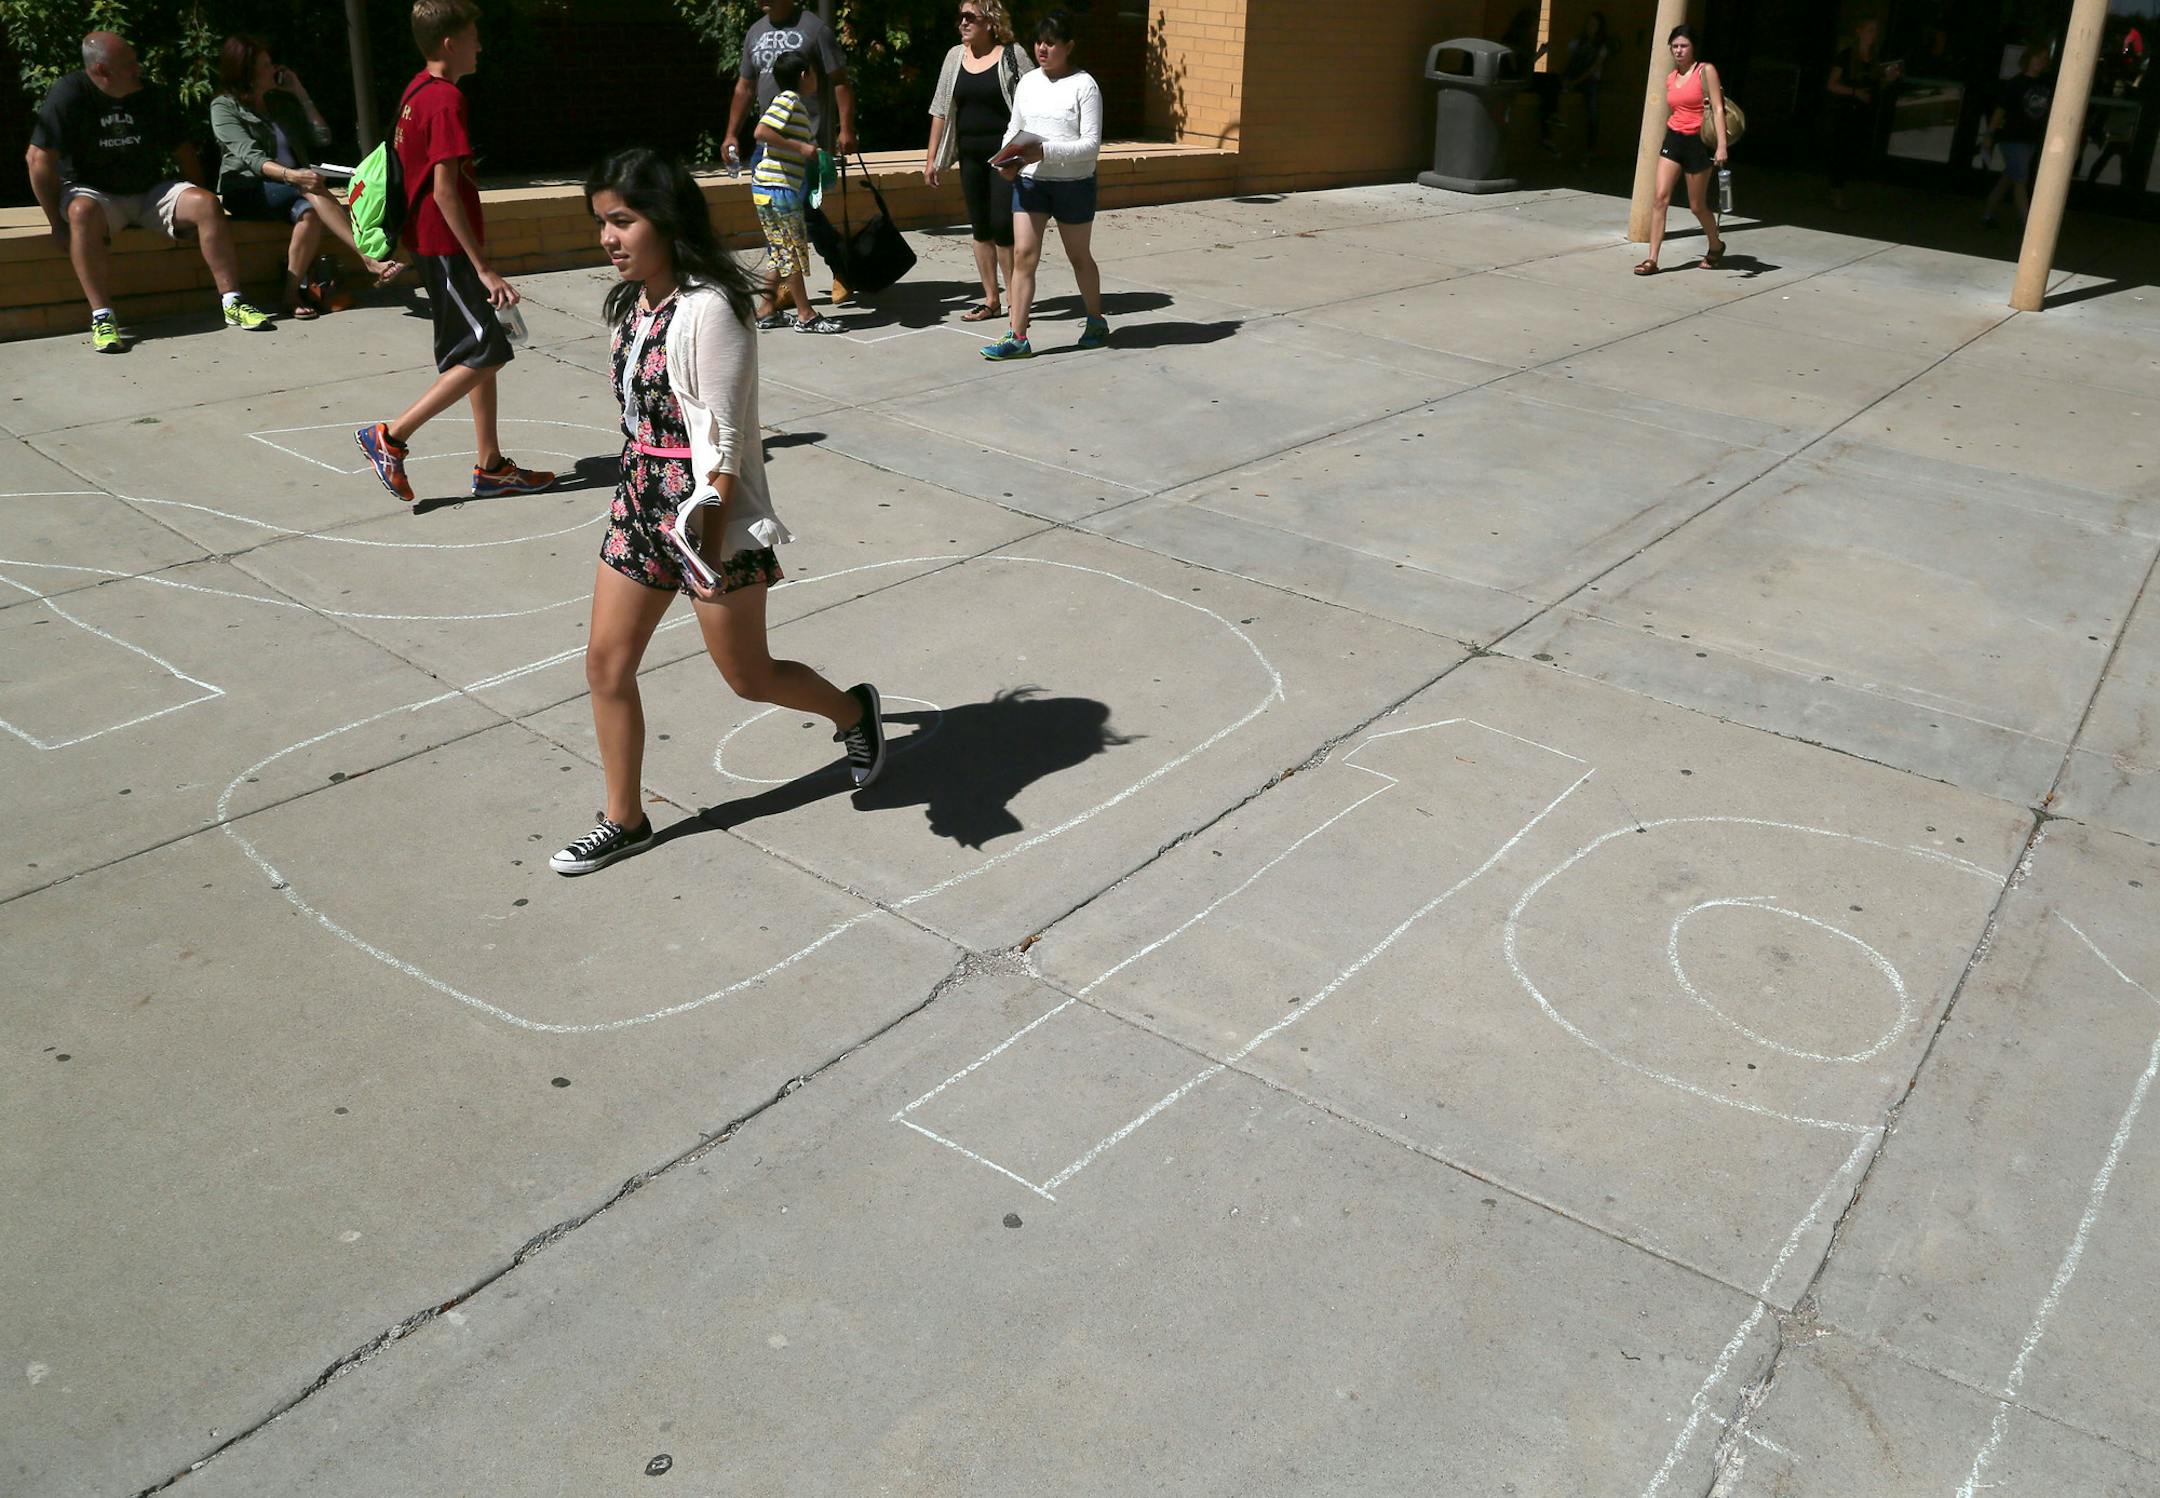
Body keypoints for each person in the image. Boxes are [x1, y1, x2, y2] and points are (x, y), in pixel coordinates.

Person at [554, 148, 886, 875]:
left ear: (666, 220)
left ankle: (854, 712)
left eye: (622, 221)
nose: (608, 237)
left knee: (749, 676)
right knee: (606, 665)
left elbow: (725, 444)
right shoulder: (632, 304)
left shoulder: (712, 310)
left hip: (707, 514)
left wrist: (703, 548)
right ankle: (625, 819)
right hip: (640, 502)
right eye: (601, 223)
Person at [355, 0, 556, 506]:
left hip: (432, 243)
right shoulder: (446, 100)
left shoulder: (416, 90)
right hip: (446, 245)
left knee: (474, 350)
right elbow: (444, 191)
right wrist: (484, 268)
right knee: (489, 350)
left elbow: (412, 175)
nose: (480, 46)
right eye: (472, 37)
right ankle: (391, 436)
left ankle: (491, 466)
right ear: (450, 43)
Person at [24, 31, 274, 353]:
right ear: (102, 70)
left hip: (149, 192)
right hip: (95, 193)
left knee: (207, 204)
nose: (138, 68)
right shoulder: (70, 93)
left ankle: (233, 301)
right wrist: (56, 224)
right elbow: (37, 159)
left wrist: (198, 200)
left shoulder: (149, 94)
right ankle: (103, 317)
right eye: (128, 64)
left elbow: (183, 150)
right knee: (81, 212)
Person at [210, 34, 401, 320]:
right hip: (248, 187)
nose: (274, 69)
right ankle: (369, 258)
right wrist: (293, 176)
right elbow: (252, 158)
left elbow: (322, 136)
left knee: (309, 214)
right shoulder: (223, 107)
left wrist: (299, 93)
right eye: (265, 65)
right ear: (247, 73)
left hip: (292, 187)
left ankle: (290, 294)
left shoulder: (279, 102)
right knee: (310, 189)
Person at [981, 11, 1107, 361]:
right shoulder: (1028, 82)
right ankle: (1017, 336)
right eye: (1039, 41)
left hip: (1074, 184)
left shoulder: (1085, 85)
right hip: (1030, 182)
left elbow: (1091, 146)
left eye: (1051, 43)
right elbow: (1014, 128)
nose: (1042, 48)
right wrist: (1007, 159)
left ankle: (1096, 321)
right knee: (1023, 255)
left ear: (1069, 46)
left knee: (1078, 256)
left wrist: (1045, 152)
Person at [924, 0, 1033, 323]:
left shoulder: (1012, 55)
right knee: (981, 227)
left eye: (970, 16)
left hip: (1005, 157)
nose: (963, 22)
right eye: (961, 17)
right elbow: (940, 109)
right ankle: (991, 299)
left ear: (990, 21)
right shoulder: (954, 57)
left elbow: (1035, 98)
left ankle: (1014, 301)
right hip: (969, 155)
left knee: (1002, 225)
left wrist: (1026, 151)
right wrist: (931, 159)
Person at [749, 51, 843, 334]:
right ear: (804, 75)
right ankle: (806, 315)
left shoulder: (792, 103)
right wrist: (801, 147)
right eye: (814, 73)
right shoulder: (788, 100)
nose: (817, 79)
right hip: (776, 189)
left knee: (780, 251)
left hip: (772, 188)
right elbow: (761, 131)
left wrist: (811, 154)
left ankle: (766, 310)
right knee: (791, 251)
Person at [1634, 24, 1728, 276]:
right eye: (1674, 46)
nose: (1678, 50)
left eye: (1683, 45)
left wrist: (1721, 145)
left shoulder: (1705, 71)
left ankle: (1716, 245)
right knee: (1659, 199)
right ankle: (1652, 259)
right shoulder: (1671, 77)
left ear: (1693, 47)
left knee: (1697, 206)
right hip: (1674, 139)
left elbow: (1718, 109)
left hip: (1698, 142)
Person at [724, 1, 856, 169]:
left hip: (809, 146)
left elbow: (840, 81)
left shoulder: (815, 29)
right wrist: (731, 134)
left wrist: (846, 129)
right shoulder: (755, 32)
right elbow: (745, 88)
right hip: (768, 146)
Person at [1826, 18, 1900, 210]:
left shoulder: (1875, 59)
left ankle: (1839, 187)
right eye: (1869, 30)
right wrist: (1854, 92)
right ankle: (1836, 189)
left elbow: (1876, 87)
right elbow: (1832, 84)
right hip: (1846, 108)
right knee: (1841, 150)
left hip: (1864, 110)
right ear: (1859, 31)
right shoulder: (1846, 55)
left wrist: (1888, 79)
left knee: (1853, 150)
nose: (1873, 34)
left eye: (1875, 31)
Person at [1982, 44, 2053, 228]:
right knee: (2020, 179)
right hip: (2013, 138)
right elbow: (2000, 110)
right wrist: (1989, 134)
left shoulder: (2045, 84)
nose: (2040, 61)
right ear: (2028, 58)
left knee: (2010, 177)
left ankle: (1988, 214)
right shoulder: (2015, 83)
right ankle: (2029, 225)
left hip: (2031, 138)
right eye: (2037, 57)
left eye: (2044, 58)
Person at [1549, 12, 1617, 155]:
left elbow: (1593, 69)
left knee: (1593, 113)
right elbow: (1569, 59)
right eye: (1588, 24)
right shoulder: (1579, 43)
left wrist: (1575, 82)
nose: (1590, 27)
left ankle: (1589, 152)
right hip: (1574, 79)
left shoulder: (1602, 47)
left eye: (1594, 24)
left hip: (1590, 82)